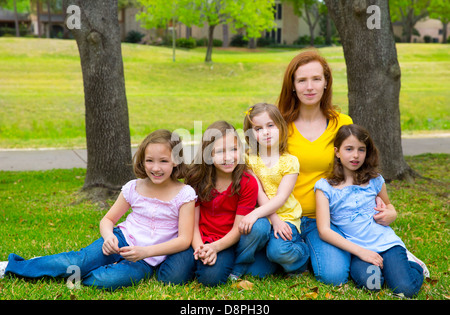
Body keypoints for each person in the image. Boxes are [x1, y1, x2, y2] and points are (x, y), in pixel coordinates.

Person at [2, 130, 197, 290]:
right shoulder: (134, 187)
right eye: (149, 161)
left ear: (176, 161)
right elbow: (108, 220)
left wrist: (145, 252)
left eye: (163, 161)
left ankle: (55, 267)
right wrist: (109, 237)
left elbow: (184, 240)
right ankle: (17, 266)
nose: (156, 168)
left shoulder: (184, 194)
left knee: (108, 281)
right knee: (77, 261)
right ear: (142, 161)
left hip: (145, 259)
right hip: (119, 240)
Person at [277, 50, 396, 285]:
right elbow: (260, 171)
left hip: (329, 221)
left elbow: (361, 173)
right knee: (264, 266)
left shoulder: (343, 123)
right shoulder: (279, 125)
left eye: (316, 79)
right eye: (302, 80)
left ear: (326, 83)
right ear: (292, 85)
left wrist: (390, 209)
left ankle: (312, 252)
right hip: (285, 219)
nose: (309, 87)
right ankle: (297, 254)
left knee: (333, 276)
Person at [314, 124, 427, 297]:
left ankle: (414, 266)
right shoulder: (325, 187)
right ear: (337, 152)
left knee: (405, 289)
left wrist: (392, 213)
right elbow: (324, 230)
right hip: (358, 249)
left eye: (361, 149)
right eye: (349, 149)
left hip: (386, 243)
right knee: (372, 284)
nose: (355, 155)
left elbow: (388, 206)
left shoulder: (374, 180)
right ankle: (390, 270)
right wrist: (361, 252)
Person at [157, 121, 261, 286]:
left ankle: (215, 264)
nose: (228, 157)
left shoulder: (247, 182)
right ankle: (191, 262)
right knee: (172, 278)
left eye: (234, 149)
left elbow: (237, 229)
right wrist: (199, 248)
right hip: (195, 238)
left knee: (210, 280)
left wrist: (215, 248)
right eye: (220, 151)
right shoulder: (196, 178)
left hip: (224, 242)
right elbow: (193, 222)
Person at [231, 103, 309, 278]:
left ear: (280, 126)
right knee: (256, 272)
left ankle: (302, 257)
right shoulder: (250, 160)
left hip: (286, 217)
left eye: (270, 125)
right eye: (258, 129)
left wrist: (274, 219)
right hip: (262, 216)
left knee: (278, 251)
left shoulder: (289, 161)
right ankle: (246, 265)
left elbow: (281, 198)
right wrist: (270, 219)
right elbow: (258, 192)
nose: (265, 132)